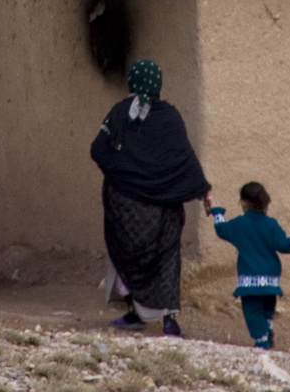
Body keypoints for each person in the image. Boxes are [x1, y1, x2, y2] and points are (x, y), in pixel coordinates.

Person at [90, 58, 212, 337]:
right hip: (164, 211)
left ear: (133, 81)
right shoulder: (170, 116)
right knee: (166, 260)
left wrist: (122, 174)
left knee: (127, 255)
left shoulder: (120, 113)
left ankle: (135, 313)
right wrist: (205, 191)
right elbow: (186, 159)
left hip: (127, 210)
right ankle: (170, 322)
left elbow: (99, 150)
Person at [210, 180, 290, 349]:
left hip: (250, 280)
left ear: (243, 203)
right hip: (271, 279)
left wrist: (216, 211)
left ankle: (261, 339)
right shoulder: (271, 224)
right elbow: (285, 245)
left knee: (253, 311)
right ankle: (268, 326)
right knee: (267, 307)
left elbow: (221, 229)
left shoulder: (239, 224)